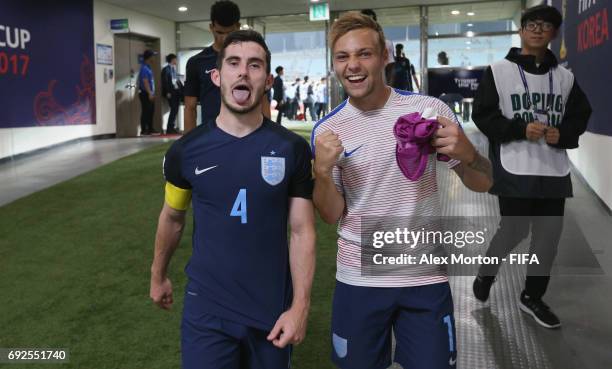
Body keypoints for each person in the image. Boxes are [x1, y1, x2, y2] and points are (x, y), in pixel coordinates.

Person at [312, 12, 493, 369]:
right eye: (342, 56)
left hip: (424, 276)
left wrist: (468, 154)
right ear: (334, 63)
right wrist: (321, 170)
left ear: (384, 57)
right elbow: (331, 214)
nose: (353, 66)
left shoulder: (428, 111)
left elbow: (484, 182)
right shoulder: (328, 130)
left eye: (364, 54)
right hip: (359, 277)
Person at [150, 30, 316, 369]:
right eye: (234, 63)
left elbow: (301, 230)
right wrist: (158, 275)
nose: (243, 72)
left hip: (271, 310)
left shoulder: (292, 149)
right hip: (207, 310)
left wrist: (300, 307)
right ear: (217, 76)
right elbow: (172, 217)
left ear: (267, 80)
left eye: (254, 65)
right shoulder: (186, 151)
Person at [471, 4, 592, 329]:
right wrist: (517, 129)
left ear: (553, 34)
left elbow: (580, 115)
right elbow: (482, 115)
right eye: (532, 24)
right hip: (514, 168)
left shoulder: (565, 77)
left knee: (548, 238)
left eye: (546, 25)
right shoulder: (498, 71)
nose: (538, 29)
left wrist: (562, 133)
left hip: (553, 169)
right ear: (522, 30)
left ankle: (532, 297)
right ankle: (486, 272)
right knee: (513, 230)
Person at [183, 0, 241, 132]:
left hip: (246, 134)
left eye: (230, 32)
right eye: (220, 33)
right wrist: (186, 146)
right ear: (211, 27)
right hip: (211, 135)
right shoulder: (197, 62)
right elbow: (190, 108)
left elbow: (262, 101)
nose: (225, 38)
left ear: (238, 26)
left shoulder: (249, 58)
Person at [138, 49, 158, 135]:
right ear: (149, 57)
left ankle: (150, 129)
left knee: (150, 111)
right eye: (153, 56)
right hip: (145, 93)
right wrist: (150, 93)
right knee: (146, 111)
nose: (154, 58)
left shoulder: (148, 67)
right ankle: (144, 130)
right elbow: (145, 81)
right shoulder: (144, 68)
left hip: (149, 92)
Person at [161, 53, 182, 134]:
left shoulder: (173, 69)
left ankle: (172, 127)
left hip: (176, 92)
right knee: (173, 110)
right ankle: (169, 128)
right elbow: (165, 82)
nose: (176, 61)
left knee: (175, 110)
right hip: (171, 93)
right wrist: (167, 92)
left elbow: (175, 81)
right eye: (175, 59)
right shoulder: (166, 69)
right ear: (172, 60)